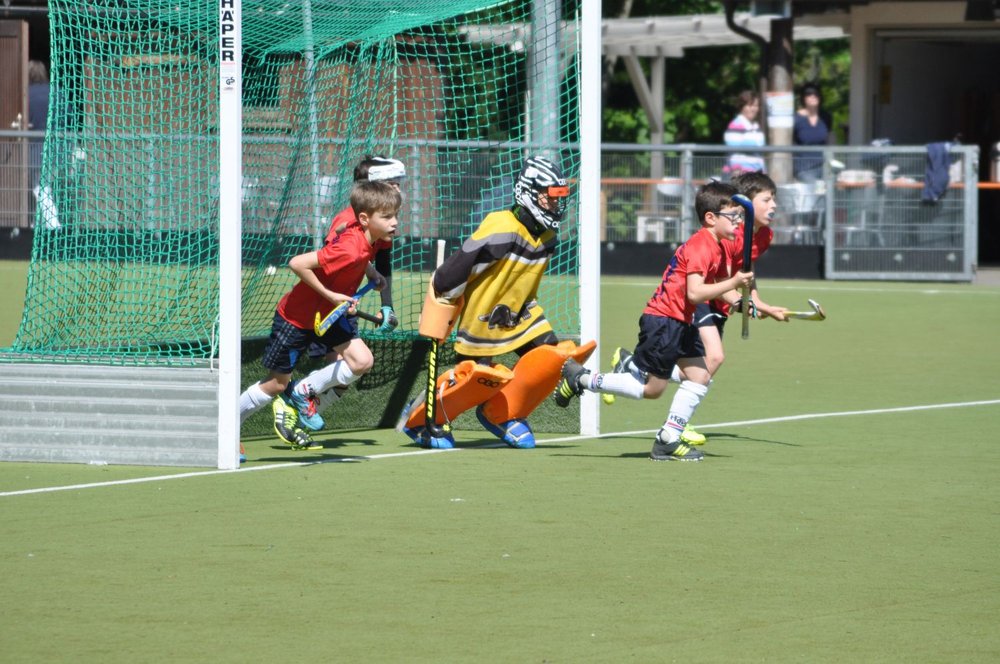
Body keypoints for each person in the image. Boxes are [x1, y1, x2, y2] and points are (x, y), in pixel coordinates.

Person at [399, 155, 595, 450]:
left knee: (553, 360)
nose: (556, 204)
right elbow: (453, 272)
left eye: (559, 197)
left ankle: (503, 413)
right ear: (527, 192)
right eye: (549, 196)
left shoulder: (548, 237)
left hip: (522, 313)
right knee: (477, 380)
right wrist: (442, 307)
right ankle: (419, 420)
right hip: (482, 318)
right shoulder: (501, 228)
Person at [556, 181, 753, 462]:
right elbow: (695, 293)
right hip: (664, 321)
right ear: (711, 217)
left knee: (700, 376)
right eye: (733, 216)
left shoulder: (719, 247)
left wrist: (739, 301)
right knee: (652, 390)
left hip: (682, 322)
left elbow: (720, 283)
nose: (738, 222)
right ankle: (584, 378)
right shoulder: (701, 246)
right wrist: (735, 282)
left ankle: (668, 437)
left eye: (740, 216)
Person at [610, 171, 791, 446]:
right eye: (766, 200)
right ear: (746, 204)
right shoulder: (732, 233)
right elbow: (719, 278)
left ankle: (632, 366)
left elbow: (747, 270)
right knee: (714, 358)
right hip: (704, 297)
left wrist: (758, 303)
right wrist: (740, 300)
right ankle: (677, 426)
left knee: (695, 370)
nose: (773, 205)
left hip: (721, 301)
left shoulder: (764, 235)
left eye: (774, 199)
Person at [238, 181, 400, 450]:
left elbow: (358, 256)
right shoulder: (350, 247)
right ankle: (228, 428)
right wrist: (331, 295)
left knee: (361, 361)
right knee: (276, 385)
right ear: (365, 219)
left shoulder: (368, 237)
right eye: (387, 217)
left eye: (395, 215)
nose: (394, 222)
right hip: (296, 318)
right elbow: (297, 263)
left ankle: (303, 392)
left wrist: (372, 274)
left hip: (328, 316)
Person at [284, 156, 405, 431]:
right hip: (324, 305)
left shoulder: (383, 220)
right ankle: (295, 402)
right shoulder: (349, 220)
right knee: (347, 365)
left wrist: (387, 305)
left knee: (346, 374)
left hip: (344, 302)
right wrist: (335, 297)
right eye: (392, 182)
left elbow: (382, 261)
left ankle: (299, 417)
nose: (398, 189)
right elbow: (334, 259)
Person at [792, 83, 833, 182]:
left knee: (834, 183)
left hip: (823, 165)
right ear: (803, 98)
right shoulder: (796, 118)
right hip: (803, 168)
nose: (813, 97)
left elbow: (830, 139)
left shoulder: (826, 117)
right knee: (815, 186)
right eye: (809, 94)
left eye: (816, 94)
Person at [723, 90, 766, 176]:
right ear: (742, 107)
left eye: (756, 106)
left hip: (757, 172)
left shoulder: (756, 126)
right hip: (741, 174)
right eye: (750, 105)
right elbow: (733, 145)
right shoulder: (735, 125)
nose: (753, 109)